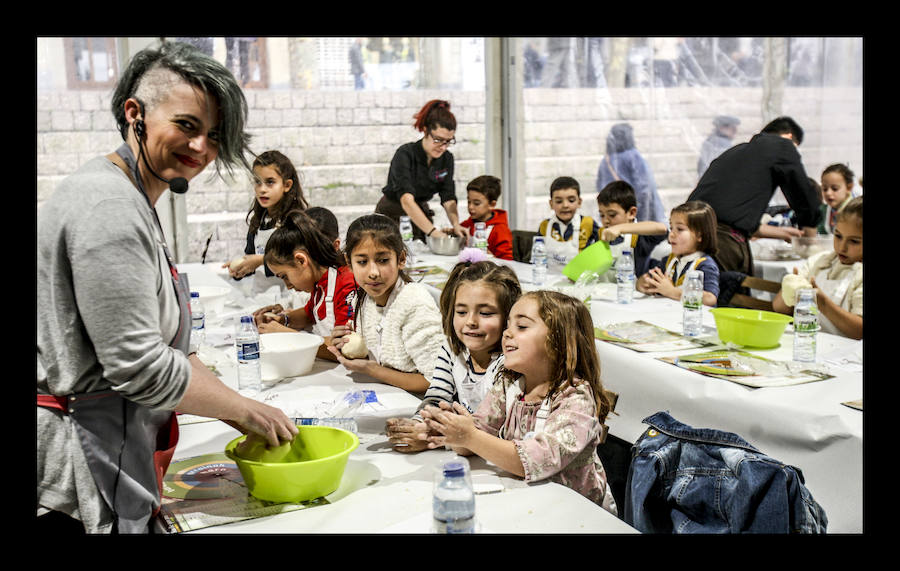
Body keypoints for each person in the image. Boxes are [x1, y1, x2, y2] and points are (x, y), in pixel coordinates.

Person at [36, 41, 297, 534]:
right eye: (186, 125)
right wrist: (242, 408)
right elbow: (140, 366)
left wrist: (235, 411)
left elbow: (170, 342)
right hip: (78, 472)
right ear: (135, 113)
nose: (201, 147)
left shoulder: (131, 197)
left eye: (214, 134)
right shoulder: (107, 208)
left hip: (111, 444)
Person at [420, 290, 618, 515]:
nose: (507, 334)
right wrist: (454, 430)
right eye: (508, 326)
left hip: (576, 513)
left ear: (559, 341)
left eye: (521, 327)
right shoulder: (510, 384)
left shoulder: (574, 397)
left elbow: (537, 460)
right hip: (528, 500)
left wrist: (470, 436)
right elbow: (472, 442)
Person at [385, 261, 521, 452]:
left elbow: (495, 429)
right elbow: (437, 396)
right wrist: (417, 426)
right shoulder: (452, 349)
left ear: (509, 317)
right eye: (462, 312)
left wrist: (431, 438)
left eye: (485, 313)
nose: (471, 321)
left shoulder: (511, 363)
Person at [688, 116, 822, 275]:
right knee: (728, 297)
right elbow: (804, 198)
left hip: (691, 236)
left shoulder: (735, 152)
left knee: (693, 293)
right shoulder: (782, 146)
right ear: (789, 137)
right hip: (723, 245)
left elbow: (728, 212)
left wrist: (783, 233)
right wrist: (808, 239)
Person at [328, 214, 443, 393]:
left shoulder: (414, 302)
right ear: (349, 263)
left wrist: (372, 370)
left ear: (401, 259)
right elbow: (378, 353)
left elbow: (435, 380)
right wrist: (348, 348)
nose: (373, 272)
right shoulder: (362, 298)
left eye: (383, 260)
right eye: (362, 262)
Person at [252, 210, 357, 361]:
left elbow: (345, 347)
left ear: (301, 260)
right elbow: (309, 315)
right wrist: (281, 320)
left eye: (285, 276)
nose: (288, 286)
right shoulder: (319, 284)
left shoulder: (346, 282)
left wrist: (286, 334)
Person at [376, 100, 468, 243]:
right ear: (426, 130)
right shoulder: (405, 154)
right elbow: (406, 200)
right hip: (393, 215)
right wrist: (433, 232)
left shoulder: (447, 159)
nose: (443, 147)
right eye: (438, 140)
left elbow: (448, 196)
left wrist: (455, 224)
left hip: (420, 215)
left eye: (448, 141)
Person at [773, 197, 862, 339]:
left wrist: (822, 303)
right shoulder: (820, 261)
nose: (842, 247)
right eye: (838, 236)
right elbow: (778, 308)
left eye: (854, 241)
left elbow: (859, 330)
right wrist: (790, 288)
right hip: (808, 345)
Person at [225, 150, 308, 294]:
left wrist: (260, 260)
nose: (262, 189)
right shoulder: (258, 221)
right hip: (261, 296)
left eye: (270, 182)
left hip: (292, 296)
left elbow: (298, 262)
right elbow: (251, 256)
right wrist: (242, 267)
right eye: (257, 182)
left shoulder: (296, 220)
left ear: (287, 185)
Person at [637, 201, 720, 306]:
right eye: (671, 228)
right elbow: (647, 279)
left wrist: (671, 292)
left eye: (680, 229)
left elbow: (710, 299)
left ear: (700, 235)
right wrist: (643, 283)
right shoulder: (668, 260)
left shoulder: (705, 265)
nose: (671, 234)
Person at [595, 123, 667, 224]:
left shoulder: (605, 160)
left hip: (613, 212)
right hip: (634, 208)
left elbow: (600, 186)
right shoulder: (633, 156)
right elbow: (644, 187)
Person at [596, 180, 669, 279]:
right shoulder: (601, 234)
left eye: (612, 215)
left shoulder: (638, 237)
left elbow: (662, 229)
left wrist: (620, 228)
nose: (606, 220)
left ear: (631, 213)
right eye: (602, 215)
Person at [537, 176, 600, 265]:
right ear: (551, 204)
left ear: (579, 202)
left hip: (579, 277)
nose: (565, 205)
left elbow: (601, 251)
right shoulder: (545, 225)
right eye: (559, 201)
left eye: (571, 200)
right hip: (549, 276)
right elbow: (538, 256)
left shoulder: (588, 223)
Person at [459, 175, 513, 260]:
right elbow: (460, 231)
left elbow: (507, 261)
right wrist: (452, 231)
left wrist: (487, 254)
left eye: (476, 203)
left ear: (492, 205)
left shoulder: (500, 229)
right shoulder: (470, 222)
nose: (470, 207)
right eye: (469, 202)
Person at [818, 163, 856, 235]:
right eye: (824, 189)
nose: (828, 193)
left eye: (834, 189)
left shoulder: (856, 211)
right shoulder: (824, 210)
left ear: (849, 187)